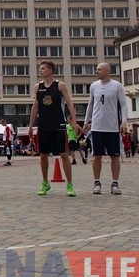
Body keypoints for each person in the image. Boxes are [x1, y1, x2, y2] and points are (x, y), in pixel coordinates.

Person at [28, 60, 80, 197]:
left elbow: (69, 103)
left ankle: (69, 184)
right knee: (43, 155)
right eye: (40, 68)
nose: (40, 70)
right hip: (44, 125)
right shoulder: (37, 87)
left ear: (51, 70)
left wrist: (74, 121)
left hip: (59, 125)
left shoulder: (60, 85)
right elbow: (35, 106)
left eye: (43, 68)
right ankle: (45, 182)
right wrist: (31, 125)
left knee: (64, 154)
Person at [82, 62, 128, 195]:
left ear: (108, 71)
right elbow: (90, 105)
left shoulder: (116, 86)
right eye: (96, 69)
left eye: (99, 69)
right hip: (97, 126)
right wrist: (86, 121)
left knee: (115, 155)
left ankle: (115, 183)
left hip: (112, 127)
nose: (97, 72)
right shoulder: (94, 86)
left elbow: (124, 105)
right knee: (97, 155)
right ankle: (97, 182)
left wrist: (124, 121)